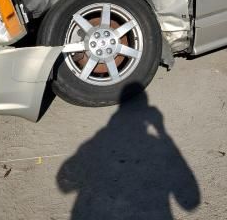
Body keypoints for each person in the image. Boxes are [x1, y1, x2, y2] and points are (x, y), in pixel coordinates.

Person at [56, 84, 201, 220]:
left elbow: (64, 183)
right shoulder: (155, 143)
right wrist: (162, 132)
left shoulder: (95, 142)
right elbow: (191, 202)